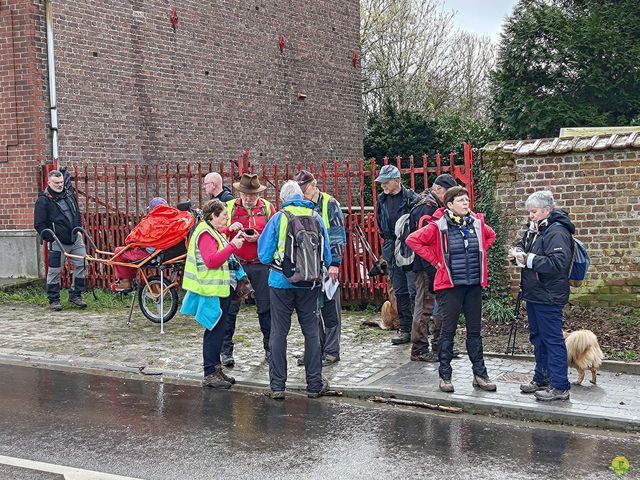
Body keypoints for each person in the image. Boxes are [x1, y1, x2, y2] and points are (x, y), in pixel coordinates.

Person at [406, 186, 497, 393]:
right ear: (449, 205)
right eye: (460, 200)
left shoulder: (476, 224)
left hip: (473, 284)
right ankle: (445, 376)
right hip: (450, 287)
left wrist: (479, 255)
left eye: (467, 200)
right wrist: (436, 261)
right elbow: (413, 240)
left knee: (475, 332)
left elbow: (491, 236)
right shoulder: (438, 226)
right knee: (448, 331)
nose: (466, 203)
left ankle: (480, 375)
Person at [258, 180, 332, 399]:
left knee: (279, 332)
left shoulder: (279, 218)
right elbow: (326, 255)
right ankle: (314, 384)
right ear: (301, 196)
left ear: (283, 199)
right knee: (310, 332)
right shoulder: (316, 218)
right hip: (310, 283)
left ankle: (278, 386)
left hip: (281, 282)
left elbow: (263, 255)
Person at [509, 190, 573, 401]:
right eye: (529, 212)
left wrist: (527, 259)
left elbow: (557, 264)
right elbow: (523, 243)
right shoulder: (536, 229)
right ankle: (541, 378)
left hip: (549, 295)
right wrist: (517, 252)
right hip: (535, 294)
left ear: (547, 210)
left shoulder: (557, 232)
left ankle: (560, 387)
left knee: (552, 340)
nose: (530, 216)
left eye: (533, 212)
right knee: (538, 338)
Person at [180, 199, 246, 389]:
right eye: (224, 215)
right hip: (212, 290)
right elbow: (211, 261)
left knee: (218, 329)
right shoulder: (205, 233)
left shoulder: (210, 230)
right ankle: (210, 372)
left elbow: (220, 240)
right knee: (214, 330)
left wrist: (230, 233)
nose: (227, 218)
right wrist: (233, 246)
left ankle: (216, 370)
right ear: (213, 216)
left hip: (219, 289)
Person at [221, 174, 275, 366]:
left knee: (266, 308)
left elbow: (274, 236)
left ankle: (270, 348)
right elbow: (216, 231)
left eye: (252, 194)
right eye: (245, 194)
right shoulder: (228, 207)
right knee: (230, 309)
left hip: (260, 264)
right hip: (237, 264)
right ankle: (226, 350)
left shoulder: (268, 208)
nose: (248, 198)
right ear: (239, 192)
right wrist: (230, 229)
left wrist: (259, 237)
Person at [294, 170, 346, 366]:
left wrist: (335, 263)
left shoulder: (329, 203)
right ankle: (315, 350)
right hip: (308, 265)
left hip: (327, 265)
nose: (302, 193)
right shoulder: (301, 204)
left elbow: (338, 234)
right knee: (312, 310)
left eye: (305, 189)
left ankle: (332, 351)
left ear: (314, 186)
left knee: (331, 309)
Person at [407, 174, 457, 362]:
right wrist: (432, 266)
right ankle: (419, 349)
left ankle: (440, 345)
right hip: (427, 265)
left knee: (443, 305)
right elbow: (423, 241)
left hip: (437, 264)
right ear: (439, 190)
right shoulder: (426, 208)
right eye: (449, 195)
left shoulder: (435, 206)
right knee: (425, 307)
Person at [374, 164, 418, 345]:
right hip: (391, 246)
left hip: (409, 246)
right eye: (381, 182)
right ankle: (405, 330)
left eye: (386, 182)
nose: (383, 185)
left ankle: (419, 330)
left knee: (413, 290)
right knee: (399, 291)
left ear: (397, 180)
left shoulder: (411, 199)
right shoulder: (381, 200)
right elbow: (379, 223)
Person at [34, 169, 88, 311]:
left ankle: (75, 295)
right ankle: (54, 300)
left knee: (83, 263)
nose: (59, 185)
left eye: (61, 182)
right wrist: (49, 237)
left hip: (75, 237)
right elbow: (39, 224)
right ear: (49, 182)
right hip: (57, 240)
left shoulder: (69, 195)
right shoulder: (43, 200)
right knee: (55, 270)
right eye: (56, 183)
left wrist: (78, 227)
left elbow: (76, 212)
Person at [112, 197, 168, 291]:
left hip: (148, 253)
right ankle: (129, 281)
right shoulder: (169, 221)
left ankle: (125, 282)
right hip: (161, 252)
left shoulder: (150, 221)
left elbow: (135, 237)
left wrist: (132, 243)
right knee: (128, 255)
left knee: (118, 252)